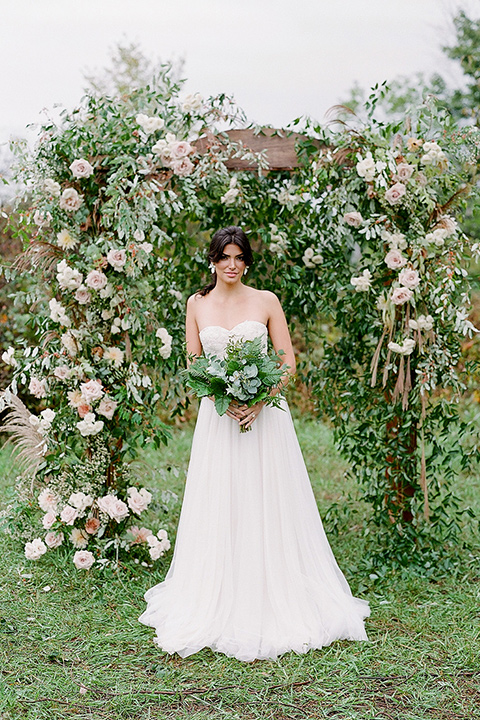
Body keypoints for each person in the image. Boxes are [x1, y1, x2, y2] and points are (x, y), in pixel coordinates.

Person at [138, 226, 370, 662]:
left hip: (265, 420)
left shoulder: (266, 301)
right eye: (224, 256)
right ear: (212, 259)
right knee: (220, 497)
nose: (231, 264)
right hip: (218, 419)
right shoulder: (196, 304)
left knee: (266, 498)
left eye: (239, 257)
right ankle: (217, 589)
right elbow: (193, 362)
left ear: (247, 261)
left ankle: (274, 588)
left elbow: (287, 360)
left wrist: (262, 400)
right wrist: (218, 397)